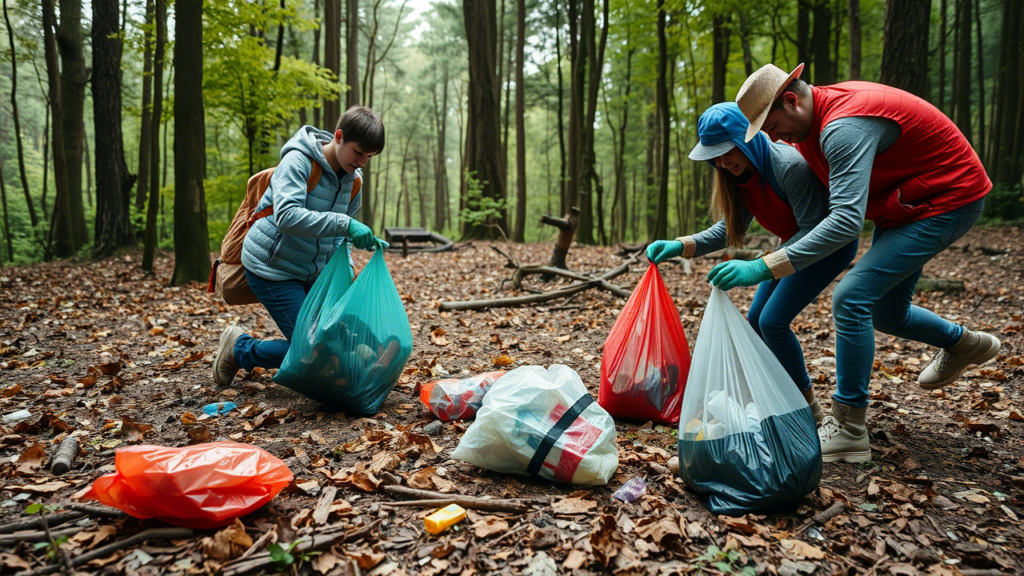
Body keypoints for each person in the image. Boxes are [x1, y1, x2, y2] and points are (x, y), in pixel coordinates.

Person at [723, 63, 999, 462]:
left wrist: (767, 266)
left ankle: (849, 427)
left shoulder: (843, 127)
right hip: (904, 204)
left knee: (851, 299)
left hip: (946, 200)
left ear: (791, 99)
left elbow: (846, 222)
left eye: (772, 125)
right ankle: (966, 344)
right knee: (887, 313)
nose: (772, 137)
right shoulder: (810, 128)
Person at [648, 101, 856, 425]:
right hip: (789, 248)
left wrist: (760, 266)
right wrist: (680, 245)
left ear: (748, 138)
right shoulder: (740, 176)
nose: (721, 161)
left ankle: (809, 410)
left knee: (772, 320)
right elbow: (728, 231)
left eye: (726, 150)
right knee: (758, 319)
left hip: (824, 247)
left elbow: (814, 229)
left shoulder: (788, 166)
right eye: (713, 155)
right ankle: (780, 399)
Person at [212, 105, 388, 387]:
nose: (363, 162)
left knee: (333, 341)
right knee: (313, 350)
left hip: (312, 273)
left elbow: (340, 237)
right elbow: (287, 217)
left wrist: (346, 268)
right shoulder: (299, 161)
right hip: (272, 268)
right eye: (359, 152)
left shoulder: (354, 181)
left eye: (370, 156)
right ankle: (239, 349)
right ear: (339, 136)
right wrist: (345, 224)